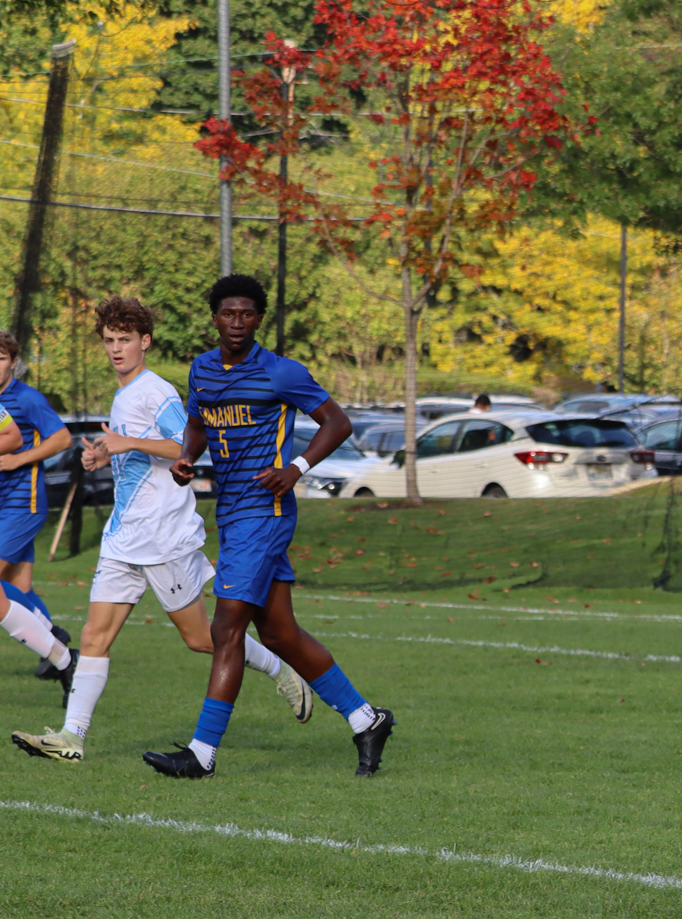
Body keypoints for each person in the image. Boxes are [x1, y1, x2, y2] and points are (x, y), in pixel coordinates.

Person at [12, 297, 313, 763]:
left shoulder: (156, 391)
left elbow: (186, 445)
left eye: (126, 340)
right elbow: (133, 456)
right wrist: (101, 455)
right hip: (124, 536)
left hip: (163, 537)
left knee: (200, 639)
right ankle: (72, 736)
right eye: (110, 340)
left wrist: (127, 440)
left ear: (144, 342)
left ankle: (281, 670)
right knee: (94, 635)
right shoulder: (123, 393)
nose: (116, 349)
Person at [143, 274, 395, 779]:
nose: (237, 323)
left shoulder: (281, 373)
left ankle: (202, 754)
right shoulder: (202, 370)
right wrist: (187, 458)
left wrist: (295, 469)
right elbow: (197, 422)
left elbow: (337, 423)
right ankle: (367, 719)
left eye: (247, 314)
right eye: (228, 314)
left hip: (267, 511)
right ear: (214, 317)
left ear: (259, 319)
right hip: (231, 513)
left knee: (225, 626)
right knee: (279, 635)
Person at [0, 329, 75, 622]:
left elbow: (62, 439)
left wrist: (18, 459)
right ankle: (56, 651)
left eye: (1, 358)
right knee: (19, 588)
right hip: (4, 506)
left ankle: (55, 650)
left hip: (23, 505)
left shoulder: (27, 398)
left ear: (13, 362)